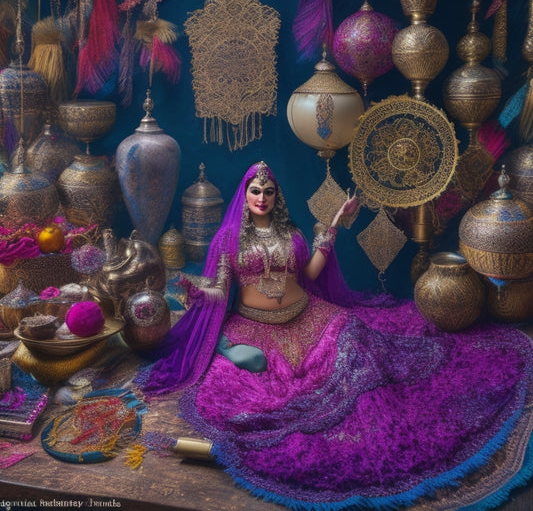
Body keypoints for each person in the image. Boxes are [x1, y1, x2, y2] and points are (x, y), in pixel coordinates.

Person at [141, 161, 533, 510]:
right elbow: (221, 289)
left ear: (277, 196)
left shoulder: (291, 233)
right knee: (247, 388)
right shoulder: (228, 240)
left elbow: (309, 275)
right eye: (255, 190)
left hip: (307, 314)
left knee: (354, 334)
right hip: (254, 326)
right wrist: (197, 292)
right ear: (244, 195)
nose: (262, 196)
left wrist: (332, 227)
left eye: (268, 191)